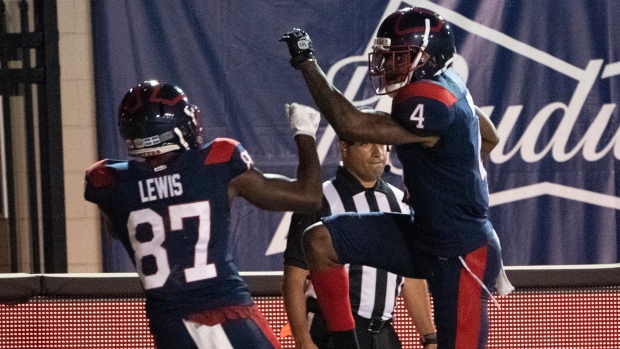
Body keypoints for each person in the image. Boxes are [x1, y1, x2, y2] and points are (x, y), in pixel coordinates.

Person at [280, 7, 510, 349]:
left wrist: (306, 62)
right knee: (319, 240)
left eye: (399, 57)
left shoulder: (432, 100)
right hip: (424, 233)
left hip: (461, 251)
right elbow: (487, 136)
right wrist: (452, 169)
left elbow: (350, 125)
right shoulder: (447, 88)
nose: (389, 65)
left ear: (429, 57)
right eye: (387, 56)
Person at [84, 80, 323, 349]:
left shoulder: (111, 184)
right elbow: (308, 196)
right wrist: (304, 132)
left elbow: (119, 229)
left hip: (168, 327)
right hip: (218, 316)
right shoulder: (214, 165)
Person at [281, 104, 437, 349]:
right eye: (367, 144)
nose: (378, 152)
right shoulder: (319, 199)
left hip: (384, 333)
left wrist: (429, 336)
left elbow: (411, 278)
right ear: (343, 147)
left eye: (383, 143)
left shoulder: (401, 201)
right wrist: (302, 339)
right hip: (330, 332)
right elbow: (294, 277)